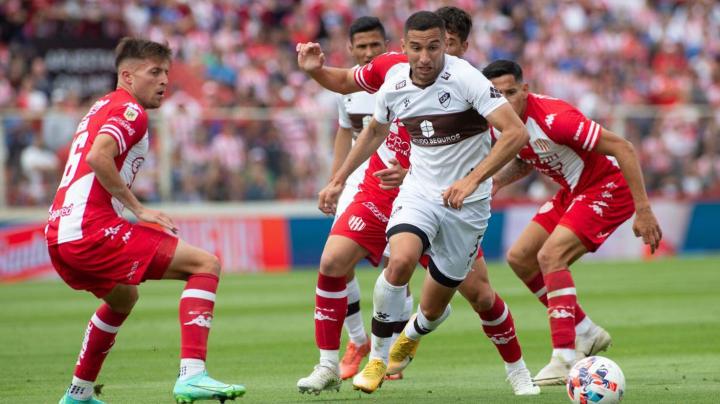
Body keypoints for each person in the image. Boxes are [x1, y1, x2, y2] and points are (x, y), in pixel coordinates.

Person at [297, 7, 540, 397]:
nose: (424, 58)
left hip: (467, 205)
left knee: (436, 306)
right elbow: (374, 129)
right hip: (418, 193)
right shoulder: (393, 78)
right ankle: (376, 358)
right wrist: (339, 179)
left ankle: (416, 337)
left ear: (446, 45)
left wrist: (473, 180)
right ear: (404, 47)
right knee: (401, 259)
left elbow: (515, 134)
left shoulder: (466, 79)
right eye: (415, 48)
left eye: (433, 48)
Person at [46, 38, 245, 404]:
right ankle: (193, 375)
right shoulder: (130, 111)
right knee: (205, 264)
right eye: (154, 72)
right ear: (127, 75)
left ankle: (78, 393)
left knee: (123, 297)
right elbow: (98, 157)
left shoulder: (102, 105)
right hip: (90, 229)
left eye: (167, 72)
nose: (164, 80)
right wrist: (139, 209)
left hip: (60, 232)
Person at [483, 59, 662, 385]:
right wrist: (496, 183)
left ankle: (565, 356)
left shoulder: (557, 119)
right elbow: (525, 160)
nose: (505, 101)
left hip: (607, 185)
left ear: (524, 90)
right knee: (519, 257)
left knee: (550, 256)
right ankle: (585, 330)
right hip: (574, 189)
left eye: (511, 92)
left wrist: (644, 209)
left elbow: (623, 147)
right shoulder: (500, 123)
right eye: (497, 95)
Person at [296, 16, 414, 395]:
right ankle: (350, 348)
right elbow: (348, 133)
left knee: (413, 273)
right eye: (360, 47)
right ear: (350, 49)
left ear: (390, 44)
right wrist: (336, 181)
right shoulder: (358, 87)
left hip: (422, 186)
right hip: (366, 181)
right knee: (334, 262)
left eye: (374, 46)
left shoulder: (449, 82)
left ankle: (395, 347)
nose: (367, 53)